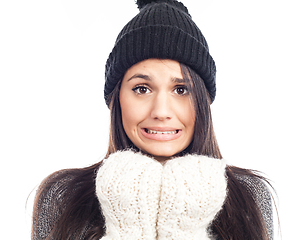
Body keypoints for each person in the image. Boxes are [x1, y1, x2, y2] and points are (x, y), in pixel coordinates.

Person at [32, 0, 274, 239]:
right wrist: (128, 230)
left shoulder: (249, 195)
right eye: (142, 89)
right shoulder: (64, 195)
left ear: (203, 102)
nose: (161, 111)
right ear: (117, 100)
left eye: (181, 90)